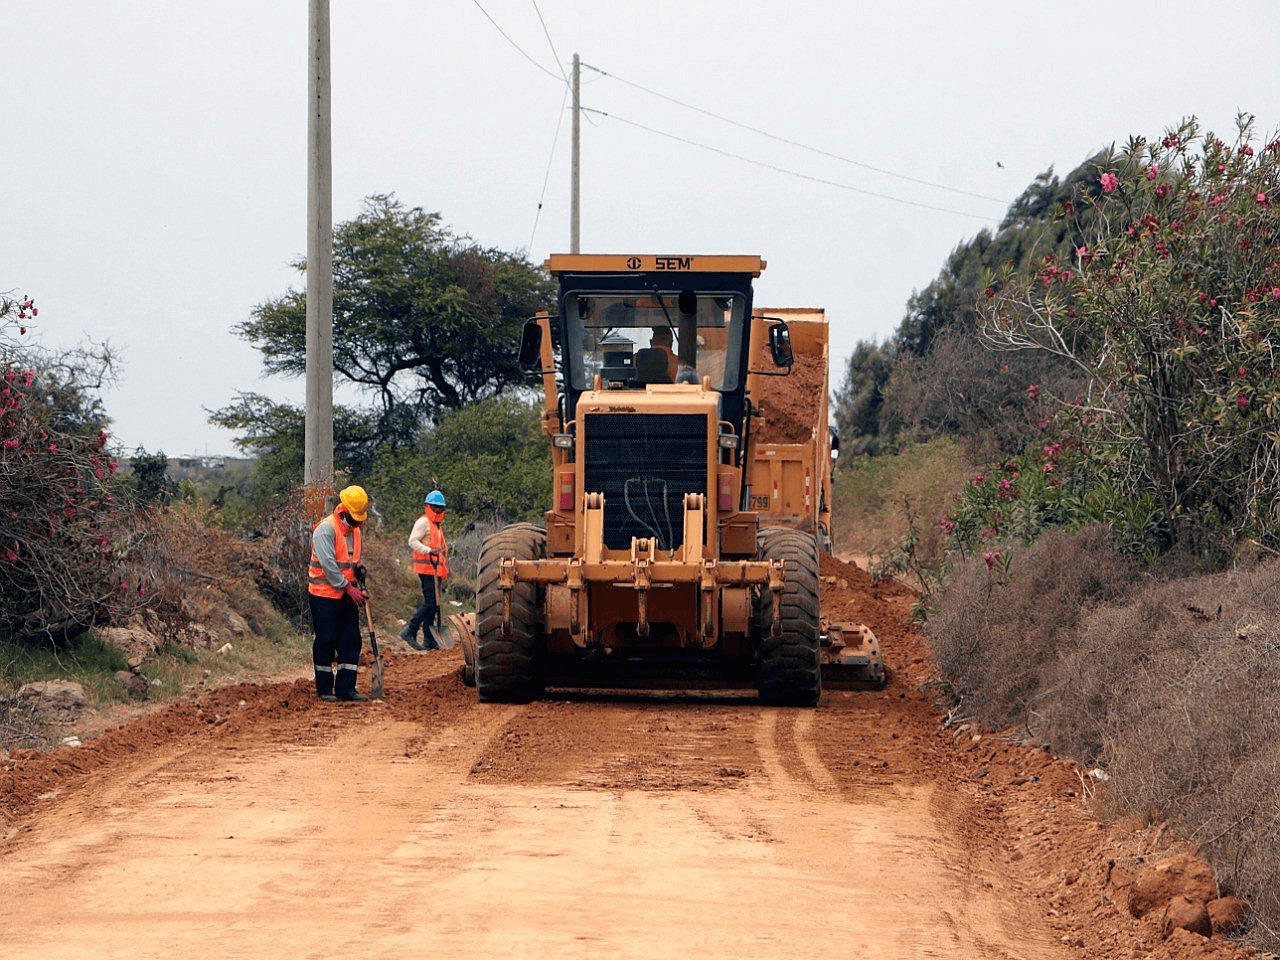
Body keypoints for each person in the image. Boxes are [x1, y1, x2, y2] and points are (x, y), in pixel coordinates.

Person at [307, 485, 371, 702]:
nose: (357, 523)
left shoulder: (355, 531)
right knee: (326, 640)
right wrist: (348, 587)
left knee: (351, 640)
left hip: (346, 596)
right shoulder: (325, 529)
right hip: (323, 595)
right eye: (354, 519)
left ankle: (346, 688)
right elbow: (329, 565)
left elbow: (350, 559)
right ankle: (324, 690)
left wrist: (359, 568)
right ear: (344, 511)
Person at [400, 489, 449, 651]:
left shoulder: (436, 525)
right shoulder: (423, 522)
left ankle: (429, 639)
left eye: (440, 508)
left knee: (434, 604)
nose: (438, 511)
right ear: (429, 506)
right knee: (430, 602)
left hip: (435, 570)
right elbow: (412, 541)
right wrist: (428, 551)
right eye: (435, 507)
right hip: (426, 568)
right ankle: (410, 630)